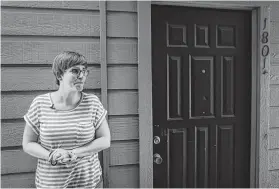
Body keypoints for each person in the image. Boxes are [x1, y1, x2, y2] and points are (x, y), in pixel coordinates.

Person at [22, 51, 111, 188]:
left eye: (84, 71)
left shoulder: (92, 103)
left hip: (90, 183)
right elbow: (28, 144)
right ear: (59, 75)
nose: (81, 76)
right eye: (75, 71)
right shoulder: (40, 104)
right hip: (51, 184)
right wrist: (51, 155)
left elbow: (105, 140)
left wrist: (73, 153)